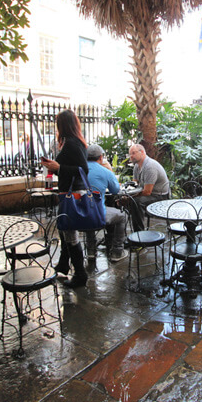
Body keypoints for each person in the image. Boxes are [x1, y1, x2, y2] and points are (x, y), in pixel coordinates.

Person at [40, 110, 89, 288]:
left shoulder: (72, 144)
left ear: (63, 125)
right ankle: (63, 265)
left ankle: (80, 275)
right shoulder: (74, 142)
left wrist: (59, 167)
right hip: (70, 193)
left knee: (70, 234)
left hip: (72, 195)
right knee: (64, 230)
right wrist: (55, 166)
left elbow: (83, 170)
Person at [85, 144, 128, 262]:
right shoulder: (105, 171)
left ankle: (91, 251)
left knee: (88, 210)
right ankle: (117, 252)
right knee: (122, 216)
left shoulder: (77, 170)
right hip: (97, 215)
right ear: (100, 157)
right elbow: (116, 191)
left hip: (77, 215)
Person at [127, 143, 170, 231]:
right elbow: (135, 185)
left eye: (133, 153)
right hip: (149, 193)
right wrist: (126, 195)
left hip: (160, 196)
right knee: (125, 200)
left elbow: (147, 192)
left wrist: (131, 197)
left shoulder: (150, 166)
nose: (131, 156)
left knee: (136, 202)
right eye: (130, 154)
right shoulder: (136, 166)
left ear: (142, 152)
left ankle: (139, 234)